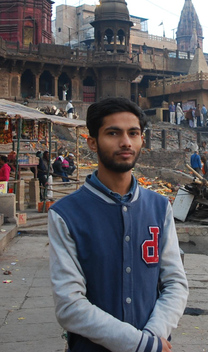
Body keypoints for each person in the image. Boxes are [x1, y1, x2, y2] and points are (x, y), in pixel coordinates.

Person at [48, 97, 188, 351]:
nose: (125, 142)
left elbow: (175, 282)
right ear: (92, 142)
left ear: (141, 141)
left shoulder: (159, 207)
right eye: (113, 133)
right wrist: (139, 344)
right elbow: (69, 306)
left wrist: (152, 337)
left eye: (133, 133)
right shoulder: (65, 214)